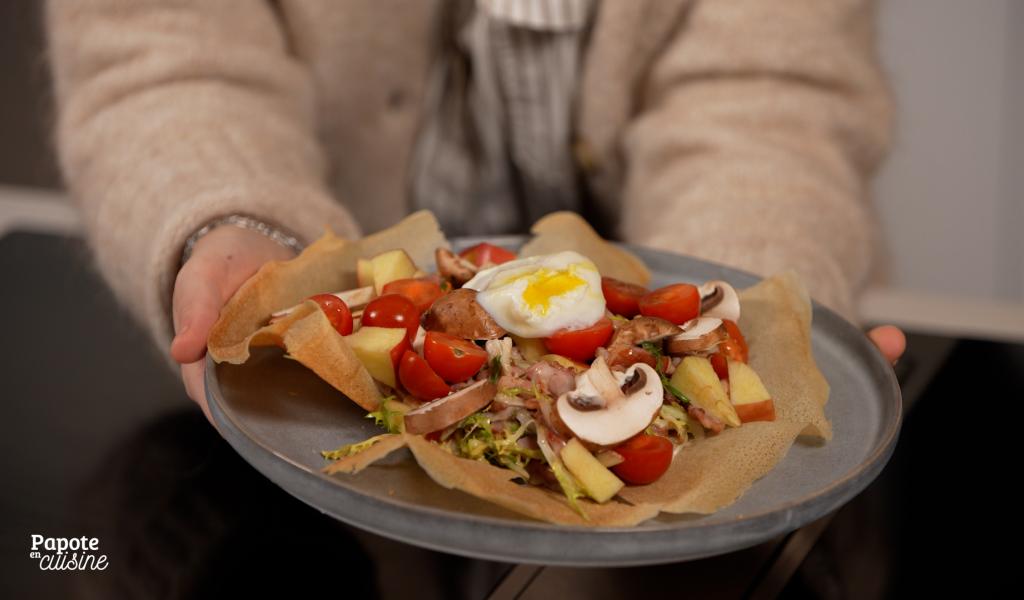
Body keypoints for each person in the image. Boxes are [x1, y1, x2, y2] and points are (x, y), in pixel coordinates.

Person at [47, 0, 904, 422]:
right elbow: (162, 47)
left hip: (642, 411)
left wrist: (735, 320)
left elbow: (769, 99)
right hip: (316, 423)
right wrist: (241, 223)